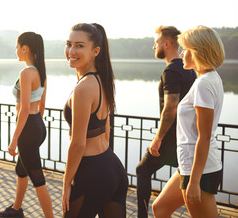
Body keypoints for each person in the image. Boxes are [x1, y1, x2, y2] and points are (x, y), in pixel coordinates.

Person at [152, 26, 225, 218]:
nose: (182, 53)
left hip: (199, 170)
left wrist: (194, 181)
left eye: (186, 49)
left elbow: (205, 136)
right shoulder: (209, 78)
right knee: (160, 209)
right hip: (190, 165)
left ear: (198, 52)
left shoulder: (203, 84)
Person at [62, 23, 128, 218]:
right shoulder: (102, 80)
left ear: (95, 51)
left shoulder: (83, 88)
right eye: (69, 44)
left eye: (80, 45)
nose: (71, 51)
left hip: (92, 172)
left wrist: (66, 183)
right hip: (111, 166)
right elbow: (106, 130)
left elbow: (78, 144)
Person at [135, 26, 196, 217]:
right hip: (187, 137)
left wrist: (158, 138)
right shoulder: (189, 70)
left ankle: (142, 215)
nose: (154, 46)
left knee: (142, 170)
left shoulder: (170, 71)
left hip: (171, 138)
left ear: (167, 44)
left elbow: (171, 107)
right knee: (185, 178)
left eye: (157, 42)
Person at [0, 32, 53, 218]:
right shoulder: (41, 72)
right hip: (38, 124)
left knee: (38, 179)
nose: (15, 51)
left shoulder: (26, 73)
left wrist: (15, 140)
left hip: (28, 128)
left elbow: (23, 109)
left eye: (17, 47)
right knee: (21, 170)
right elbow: (41, 105)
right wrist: (37, 126)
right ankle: (16, 209)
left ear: (25, 48)